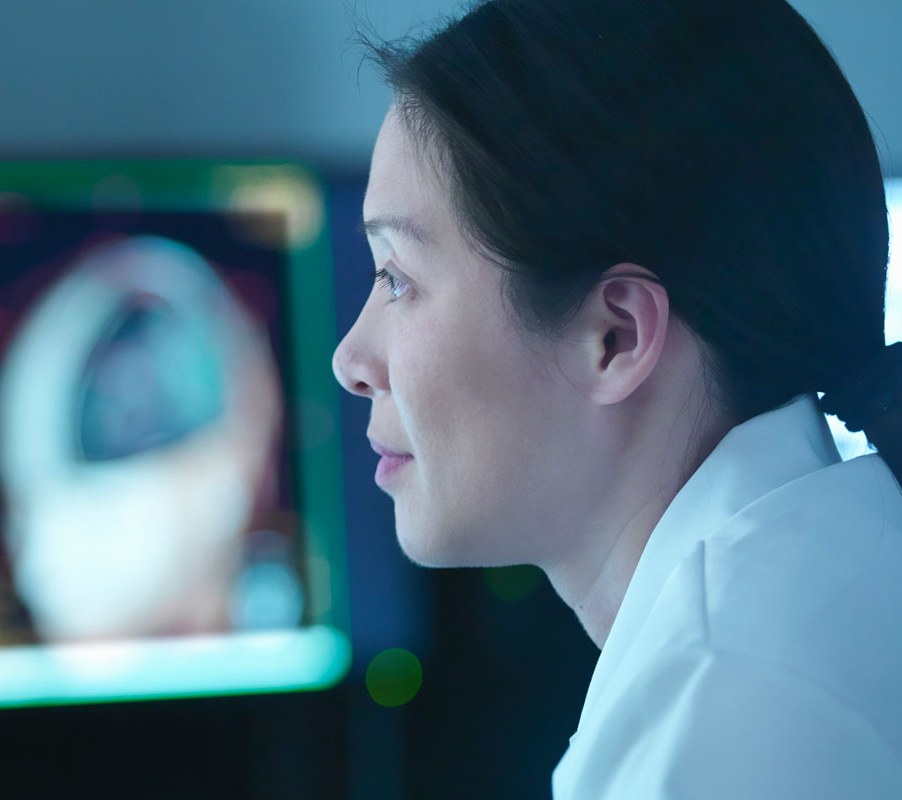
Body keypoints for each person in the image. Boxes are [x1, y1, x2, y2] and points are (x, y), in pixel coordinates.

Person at [334, 0, 902, 795]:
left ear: (616, 338)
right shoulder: (833, 566)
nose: (350, 361)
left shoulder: (724, 713)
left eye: (397, 278)